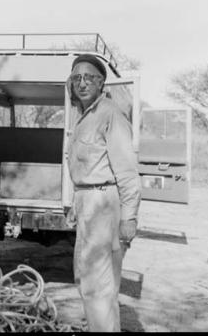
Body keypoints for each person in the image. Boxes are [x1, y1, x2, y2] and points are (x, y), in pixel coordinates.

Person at [65, 54, 141, 332]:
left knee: (99, 284)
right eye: (76, 78)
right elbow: (83, 169)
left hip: (103, 204)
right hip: (87, 201)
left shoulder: (109, 113)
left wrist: (129, 217)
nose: (82, 83)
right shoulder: (82, 116)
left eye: (89, 78)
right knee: (86, 279)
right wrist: (75, 203)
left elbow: (127, 171)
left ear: (101, 83)